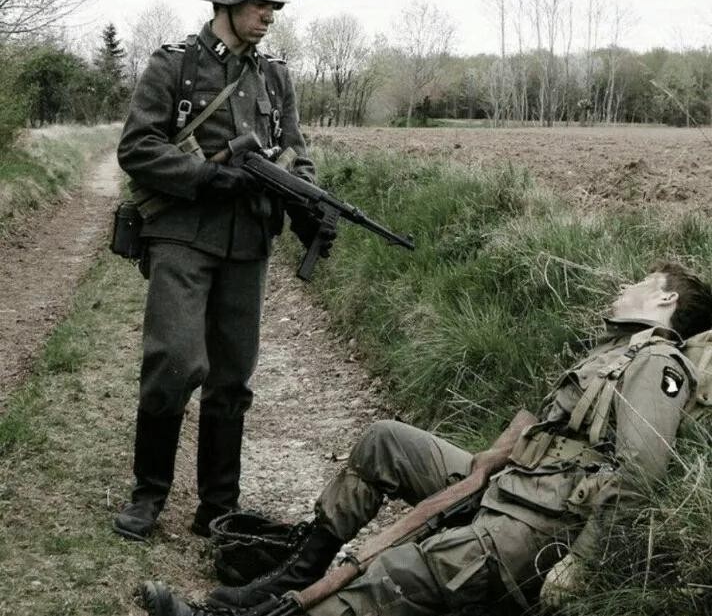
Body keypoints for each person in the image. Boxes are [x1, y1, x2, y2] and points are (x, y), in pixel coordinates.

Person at [139, 261, 712, 615]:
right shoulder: (615, 352)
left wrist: (581, 563)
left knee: (392, 570)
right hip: (508, 487)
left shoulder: (657, 364)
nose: (626, 286)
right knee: (385, 441)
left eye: (642, 282)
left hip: (537, 524)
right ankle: (297, 574)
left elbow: (640, 469)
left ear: (666, 301)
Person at [114, 0, 333, 541]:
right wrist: (207, 176)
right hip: (182, 234)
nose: (269, 16)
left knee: (232, 375)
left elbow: (294, 150)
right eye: (260, 5)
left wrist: (308, 201)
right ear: (227, 3)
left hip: (248, 242)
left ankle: (217, 506)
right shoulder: (175, 66)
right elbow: (136, 148)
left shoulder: (276, 76)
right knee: (175, 361)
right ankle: (148, 495)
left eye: (273, 7)